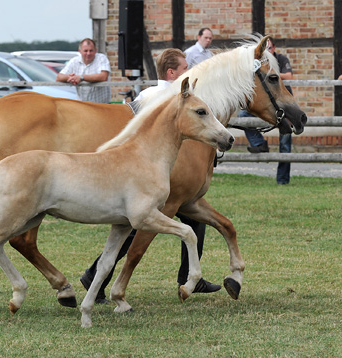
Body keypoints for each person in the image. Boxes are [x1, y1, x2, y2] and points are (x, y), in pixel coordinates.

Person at [80, 48, 221, 304]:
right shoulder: (164, 97)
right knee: (135, 227)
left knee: (193, 218)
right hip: (152, 173)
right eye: (184, 68)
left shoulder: (148, 95)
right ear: (171, 72)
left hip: (165, 171)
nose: (188, 71)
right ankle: (95, 276)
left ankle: (190, 275)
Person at [242, 38, 293, 185]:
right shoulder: (259, 62)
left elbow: (289, 76)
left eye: (270, 48)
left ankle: (282, 180)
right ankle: (259, 144)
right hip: (265, 103)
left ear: (274, 48)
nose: (268, 51)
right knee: (243, 115)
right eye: (265, 49)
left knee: (285, 141)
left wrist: (268, 72)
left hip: (283, 102)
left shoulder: (281, 59)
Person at [56, 38, 111, 103]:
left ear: (95, 50)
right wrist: (71, 78)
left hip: (101, 105)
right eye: (85, 51)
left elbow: (103, 77)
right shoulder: (74, 61)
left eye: (91, 50)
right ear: (80, 51)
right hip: (82, 106)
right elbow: (59, 77)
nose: (88, 53)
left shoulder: (101, 58)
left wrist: (81, 77)